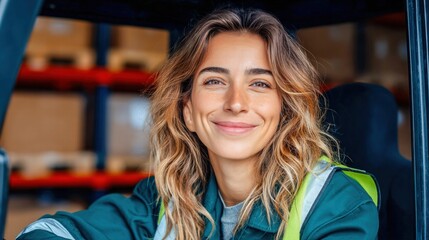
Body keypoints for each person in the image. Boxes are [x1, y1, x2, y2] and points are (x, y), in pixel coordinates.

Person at [17, 8, 378, 240]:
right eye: (214, 81)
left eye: (260, 83)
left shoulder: (336, 207)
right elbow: (48, 232)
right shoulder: (166, 203)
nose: (236, 102)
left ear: (285, 109)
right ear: (187, 109)